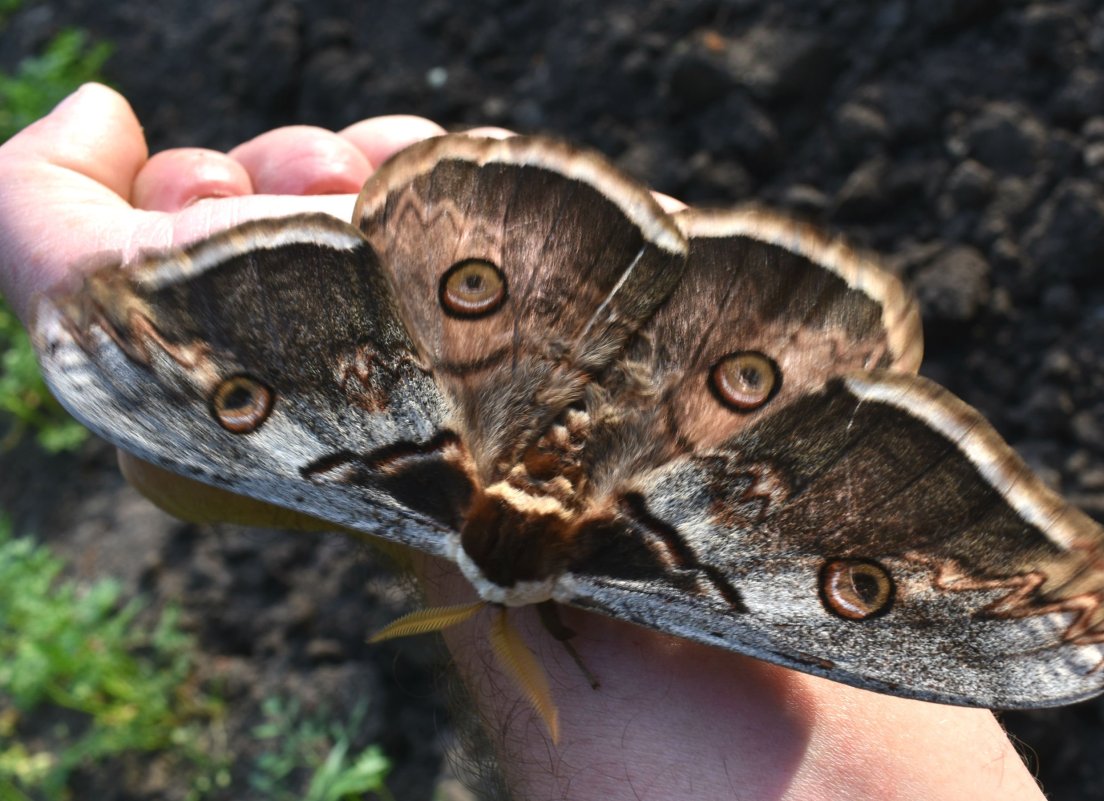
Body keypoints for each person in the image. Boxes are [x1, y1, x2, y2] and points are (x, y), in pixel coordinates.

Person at [0, 83, 1048, 801]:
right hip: (689, 366)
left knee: (210, 399)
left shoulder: (404, 489)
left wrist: (136, 359)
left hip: (507, 344)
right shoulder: (538, 540)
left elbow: (189, 373)